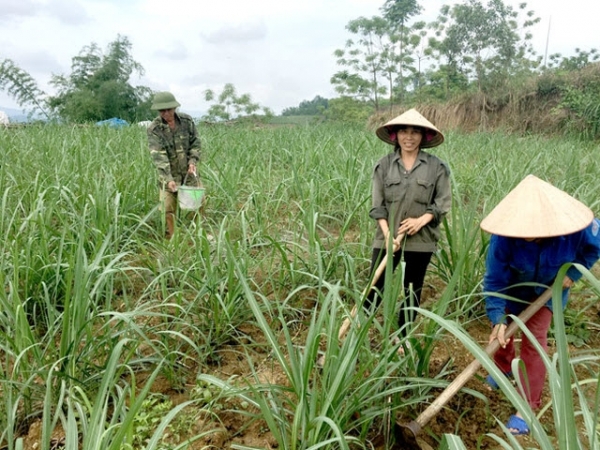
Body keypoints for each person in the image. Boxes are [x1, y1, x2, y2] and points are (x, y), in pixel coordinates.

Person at [481, 174, 600, 435]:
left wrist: (574, 273)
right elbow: (494, 279)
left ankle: (527, 406)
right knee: (503, 333)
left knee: (535, 341)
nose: (525, 234)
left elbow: (593, 248)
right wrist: (497, 317)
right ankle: (503, 367)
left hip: (548, 292)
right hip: (512, 288)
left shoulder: (575, 229)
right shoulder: (503, 238)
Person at [367, 108, 451, 352]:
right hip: (386, 238)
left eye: (415, 132)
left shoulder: (437, 168)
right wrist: (388, 234)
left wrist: (420, 221)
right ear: (395, 135)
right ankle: (358, 333)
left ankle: (402, 339)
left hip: (421, 240)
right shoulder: (383, 166)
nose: (409, 137)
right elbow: (377, 207)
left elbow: (442, 203)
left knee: (412, 289)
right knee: (375, 287)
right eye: (404, 131)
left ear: (423, 137)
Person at [147, 91, 202, 239]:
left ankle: (197, 235)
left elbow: (195, 143)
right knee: (167, 208)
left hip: (188, 173)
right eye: (162, 111)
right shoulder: (155, 129)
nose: (166, 113)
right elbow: (159, 156)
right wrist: (168, 178)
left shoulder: (186, 121)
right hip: (168, 175)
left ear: (174, 108)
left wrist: (193, 162)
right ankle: (173, 238)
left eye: (168, 110)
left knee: (196, 205)